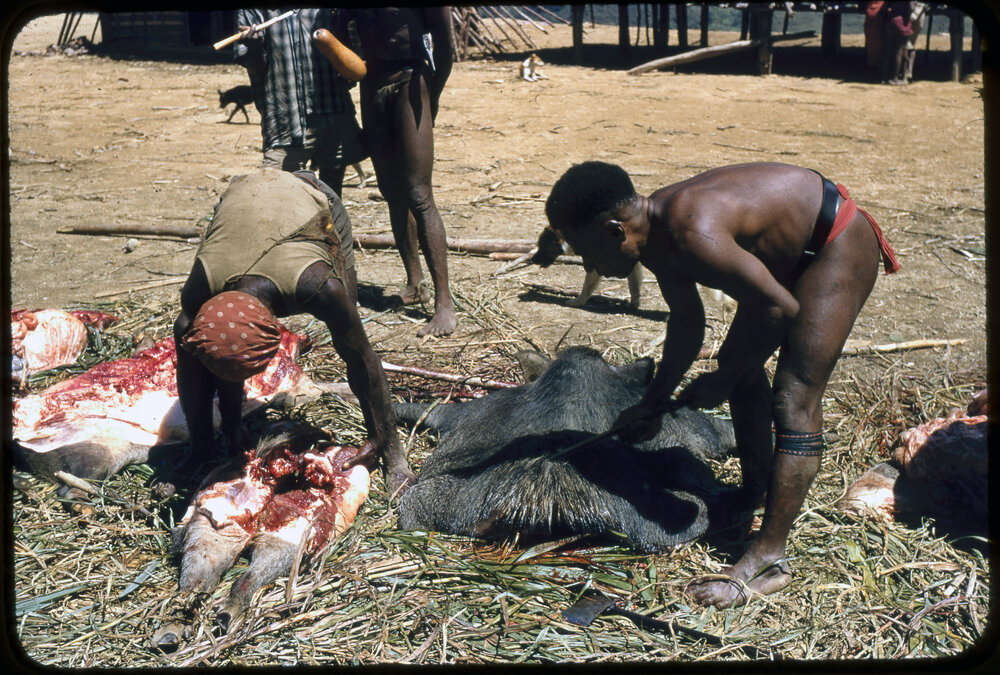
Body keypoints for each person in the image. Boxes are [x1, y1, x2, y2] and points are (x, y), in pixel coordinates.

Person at [544, 161, 900, 608]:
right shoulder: (651, 233)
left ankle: (770, 558)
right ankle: (755, 490)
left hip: (835, 244)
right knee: (740, 364)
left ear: (616, 230)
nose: (588, 264)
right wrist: (653, 404)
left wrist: (723, 380)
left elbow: (781, 308)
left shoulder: (693, 231)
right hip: (787, 258)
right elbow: (688, 324)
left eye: (586, 251)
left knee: (794, 397)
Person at [173, 168, 415, 496]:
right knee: (198, 348)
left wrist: (385, 444)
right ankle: (208, 445)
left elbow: (363, 360)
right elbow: (200, 364)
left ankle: (393, 454)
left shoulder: (320, 286)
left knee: (350, 330)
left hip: (310, 203)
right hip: (245, 196)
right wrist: (207, 444)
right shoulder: (199, 291)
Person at [335, 7, 458, 337]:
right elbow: (338, 31)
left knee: (419, 194)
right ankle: (415, 282)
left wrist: (434, 95)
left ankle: (444, 303)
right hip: (371, 85)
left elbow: (445, 50)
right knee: (392, 191)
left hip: (410, 83)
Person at [234, 8, 365, 196]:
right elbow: (256, 68)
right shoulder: (254, 10)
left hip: (334, 114)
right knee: (283, 201)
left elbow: (353, 62)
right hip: (285, 124)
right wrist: (253, 46)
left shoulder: (329, 9)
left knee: (332, 200)